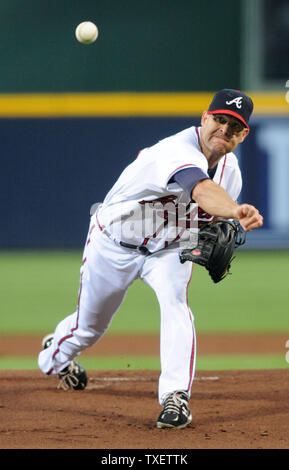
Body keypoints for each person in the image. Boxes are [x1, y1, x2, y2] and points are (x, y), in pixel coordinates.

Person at [38, 89, 263, 429]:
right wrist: (235, 210)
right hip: (116, 242)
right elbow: (199, 190)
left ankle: (175, 398)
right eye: (219, 120)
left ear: (243, 134)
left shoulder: (231, 173)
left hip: (170, 248)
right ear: (204, 118)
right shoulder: (175, 150)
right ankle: (54, 356)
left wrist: (224, 230)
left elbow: (209, 221)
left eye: (234, 127)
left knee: (176, 304)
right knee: (90, 328)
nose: (224, 130)